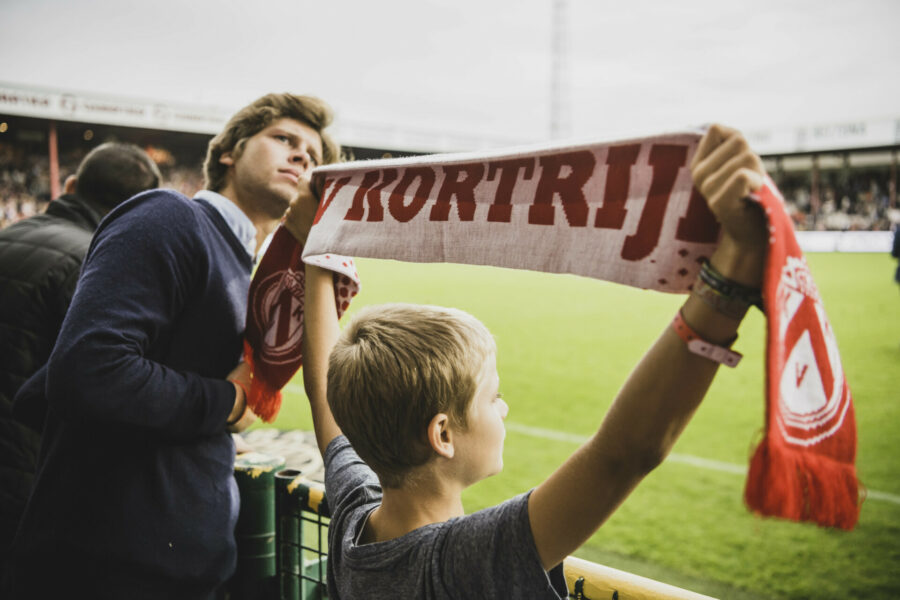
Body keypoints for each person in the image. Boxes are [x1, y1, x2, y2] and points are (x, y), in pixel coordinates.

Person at [292, 124, 769, 598]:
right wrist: (731, 278)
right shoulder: (455, 563)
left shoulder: (353, 519)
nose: (504, 407)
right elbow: (621, 455)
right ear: (442, 435)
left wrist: (316, 252)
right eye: (492, 397)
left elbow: (323, 390)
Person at [6, 93, 341, 598]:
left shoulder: (246, 269)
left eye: (313, 156)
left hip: (180, 569)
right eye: (283, 139)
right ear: (228, 151)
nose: (302, 158)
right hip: (109, 573)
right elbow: (90, 370)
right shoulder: (171, 216)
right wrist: (228, 402)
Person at [0, 143, 161, 569]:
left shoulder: (10, 234)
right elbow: (113, 388)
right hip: (30, 480)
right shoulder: (97, 264)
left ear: (71, 187)